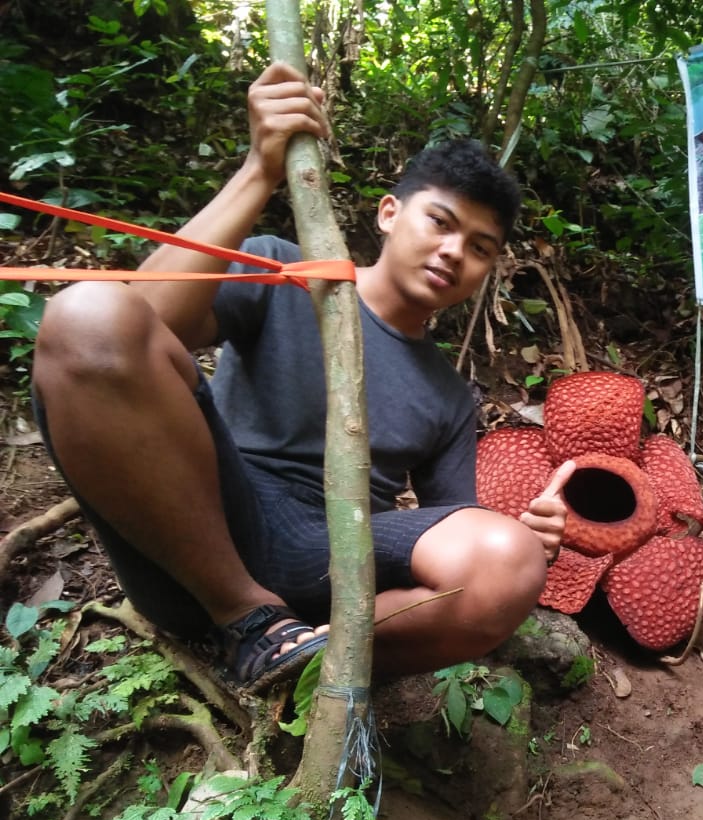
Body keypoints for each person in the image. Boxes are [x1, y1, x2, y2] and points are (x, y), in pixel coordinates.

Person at [32, 62, 572, 693]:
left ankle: (314, 664)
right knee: (88, 311)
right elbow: (131, 329)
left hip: (329, 564)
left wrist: (529, 542)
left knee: (508, 561)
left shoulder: (450, 398)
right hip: (200, 520)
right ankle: (243, 616)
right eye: (441, 222)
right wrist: (259, 170)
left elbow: (455, 527)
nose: (455, 251)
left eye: (481, 247)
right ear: (390, 214)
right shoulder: (285, 270)